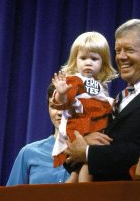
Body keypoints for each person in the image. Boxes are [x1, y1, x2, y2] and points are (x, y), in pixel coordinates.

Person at [63, 19, 140, 181]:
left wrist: (88, 152)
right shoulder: (118, 99)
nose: (121, 57)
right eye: (118, 50)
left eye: (128, 50)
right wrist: (85, 141)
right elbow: (81, 150)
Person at [50, 32, 117, 182]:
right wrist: (61, 93)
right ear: (75, 61)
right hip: (80, 131)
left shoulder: (101, 86)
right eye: (83, 58)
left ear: (103, 63)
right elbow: (63, 102)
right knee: (88, 167)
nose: (88, 63)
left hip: (94, 131)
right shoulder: (75, 80)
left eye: (94, 59)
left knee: (75, 173)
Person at [6, 83, 70, 185]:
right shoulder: (28, 153)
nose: (59, 112)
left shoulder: (90, 156)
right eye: (53, 106)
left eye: (65, 106)